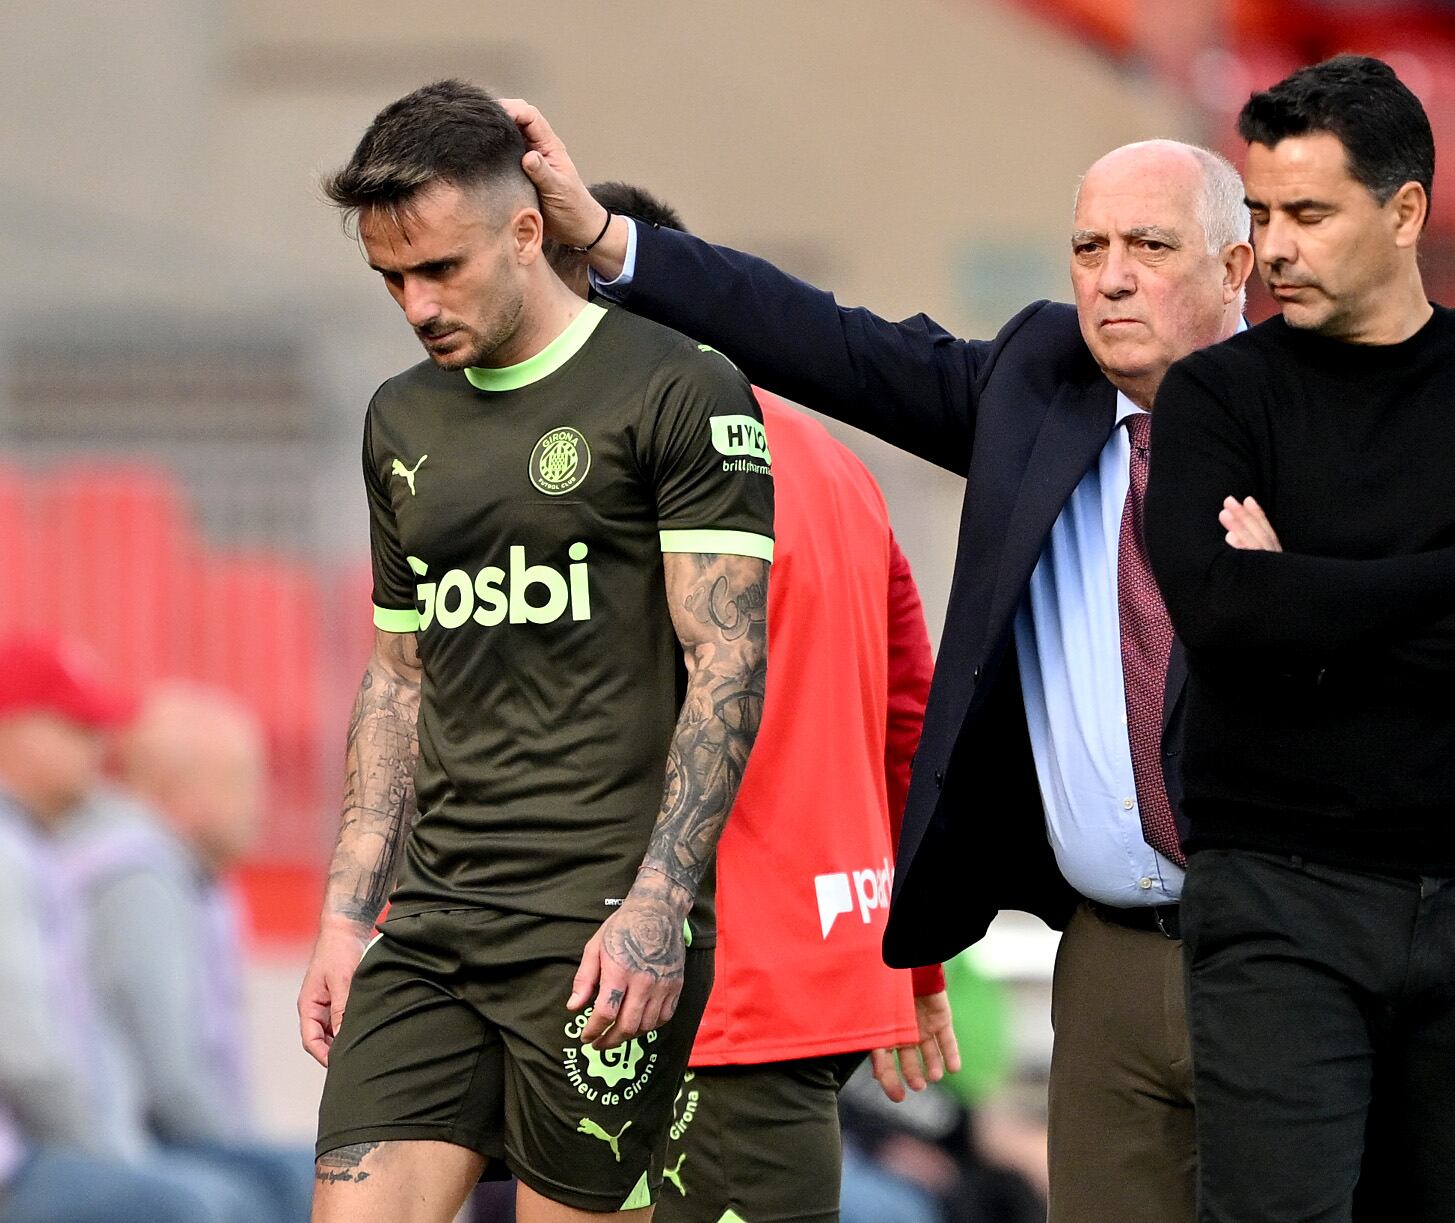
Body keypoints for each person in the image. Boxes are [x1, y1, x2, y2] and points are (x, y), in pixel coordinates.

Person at [509, 100, 1254, 1221]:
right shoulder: (1036, 381)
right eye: (1089, 247)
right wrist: (615, 247)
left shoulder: (1322, 414)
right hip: (1103, 957)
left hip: (1283, 935)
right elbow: (826, 337)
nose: (1108, 278)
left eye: (1148, 248)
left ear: (1236, 264)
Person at [1144, 54, 1455, 1222]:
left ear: (1404, 210)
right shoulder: (1215, 394)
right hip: (1276, 900)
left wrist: (1303, 599)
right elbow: (1215, 609)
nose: (1272, 246)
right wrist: (1453, 576)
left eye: (1307, 213)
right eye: (1258, 214)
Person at [298, 80, 773, 1223]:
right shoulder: (398, 420)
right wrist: (342, 913)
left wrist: (660, 902)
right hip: (433, 925)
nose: (414, 304)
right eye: (390, 278)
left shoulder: (677, 387)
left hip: (596, 930)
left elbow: (726, 664)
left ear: (526, 231)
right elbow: (399, 674)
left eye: (439, 269)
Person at [551, 181, 959, 1223]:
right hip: (815, 969)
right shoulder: (835, 466)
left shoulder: (616, 469)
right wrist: (907, 957)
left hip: (688, 992)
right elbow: (909, 722)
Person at [0, 636, 257, 1223]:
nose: (101, 746)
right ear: (15, 729)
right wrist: (109, 1156)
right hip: (25, 1160)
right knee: (208, 1202)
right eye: (77, 728)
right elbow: (28, 1058)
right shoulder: (16, 852)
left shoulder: (32, 843)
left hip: (45, 1150)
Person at [54, 683, 315, 1220]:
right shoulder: (138, 877)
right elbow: (166, 1078)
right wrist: (243, 1153)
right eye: (247, 781)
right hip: (129, 1146)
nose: (261, 807)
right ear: (185, 788)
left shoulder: (188, 874)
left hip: (146, 1141)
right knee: (308, 1182)